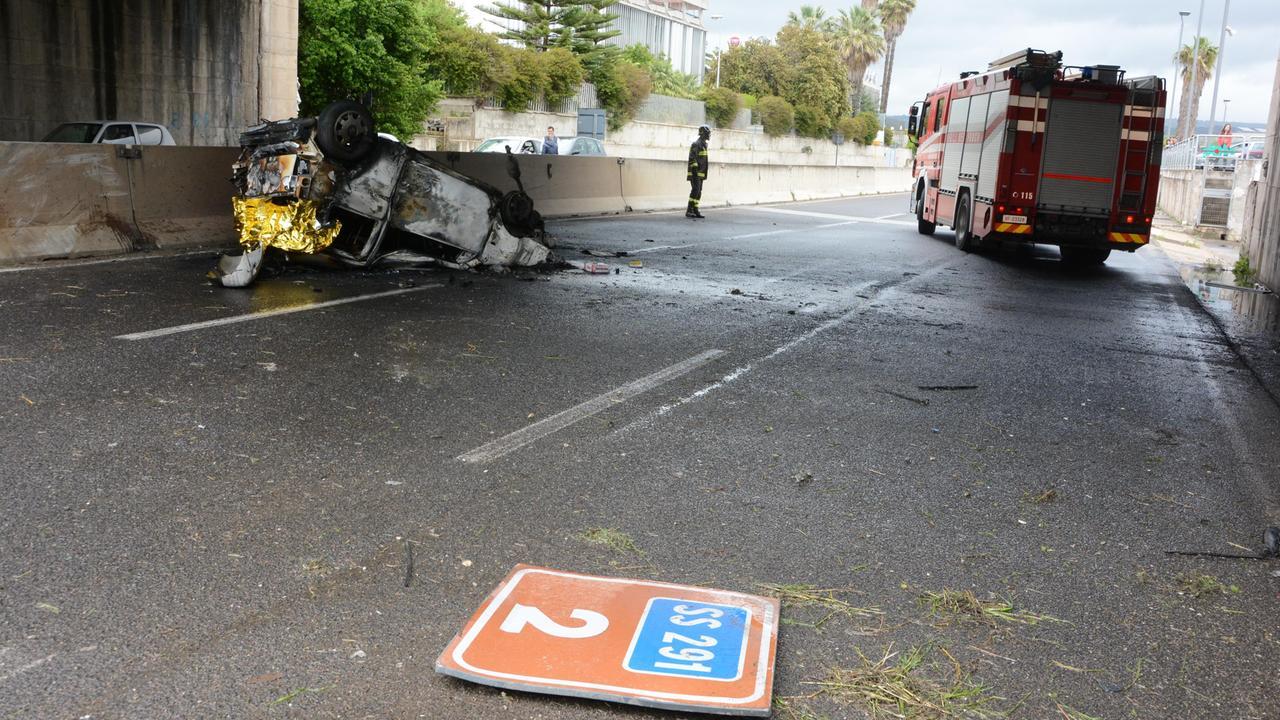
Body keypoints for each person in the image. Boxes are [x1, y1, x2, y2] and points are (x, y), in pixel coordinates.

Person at [686, 125, 710, 219]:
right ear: (703, 134)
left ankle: (695, 209)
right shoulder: (696, 144)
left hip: (701, 173)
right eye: (708, 133)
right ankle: (689, 210)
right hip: (695, 173)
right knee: (695, 191)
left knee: (699, 192)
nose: (709, 135)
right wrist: (695, 172)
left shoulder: (703, 144)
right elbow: (692, 158)